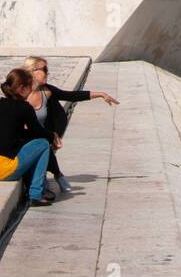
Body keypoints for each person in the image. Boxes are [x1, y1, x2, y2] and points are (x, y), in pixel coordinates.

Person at [22, 56, 118, 194]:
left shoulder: (47, 91)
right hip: (25, 136)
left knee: (44, 143)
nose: (47, 73)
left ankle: (52, 178)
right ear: (33, 71)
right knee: (41, 145)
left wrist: (101, 94)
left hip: (44, 134)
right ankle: (57, 175)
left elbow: (71, 95)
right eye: (45, 69)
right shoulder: (20, 92)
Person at [0, 68, 54, 208]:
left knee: (34, 145)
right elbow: (38, 133)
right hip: (2, 169)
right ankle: (36, 194)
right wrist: (53, 136)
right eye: (29, 87)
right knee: (43, 144)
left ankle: (34, 188)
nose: (31, 91)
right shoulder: (24, 107)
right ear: (22, 89)